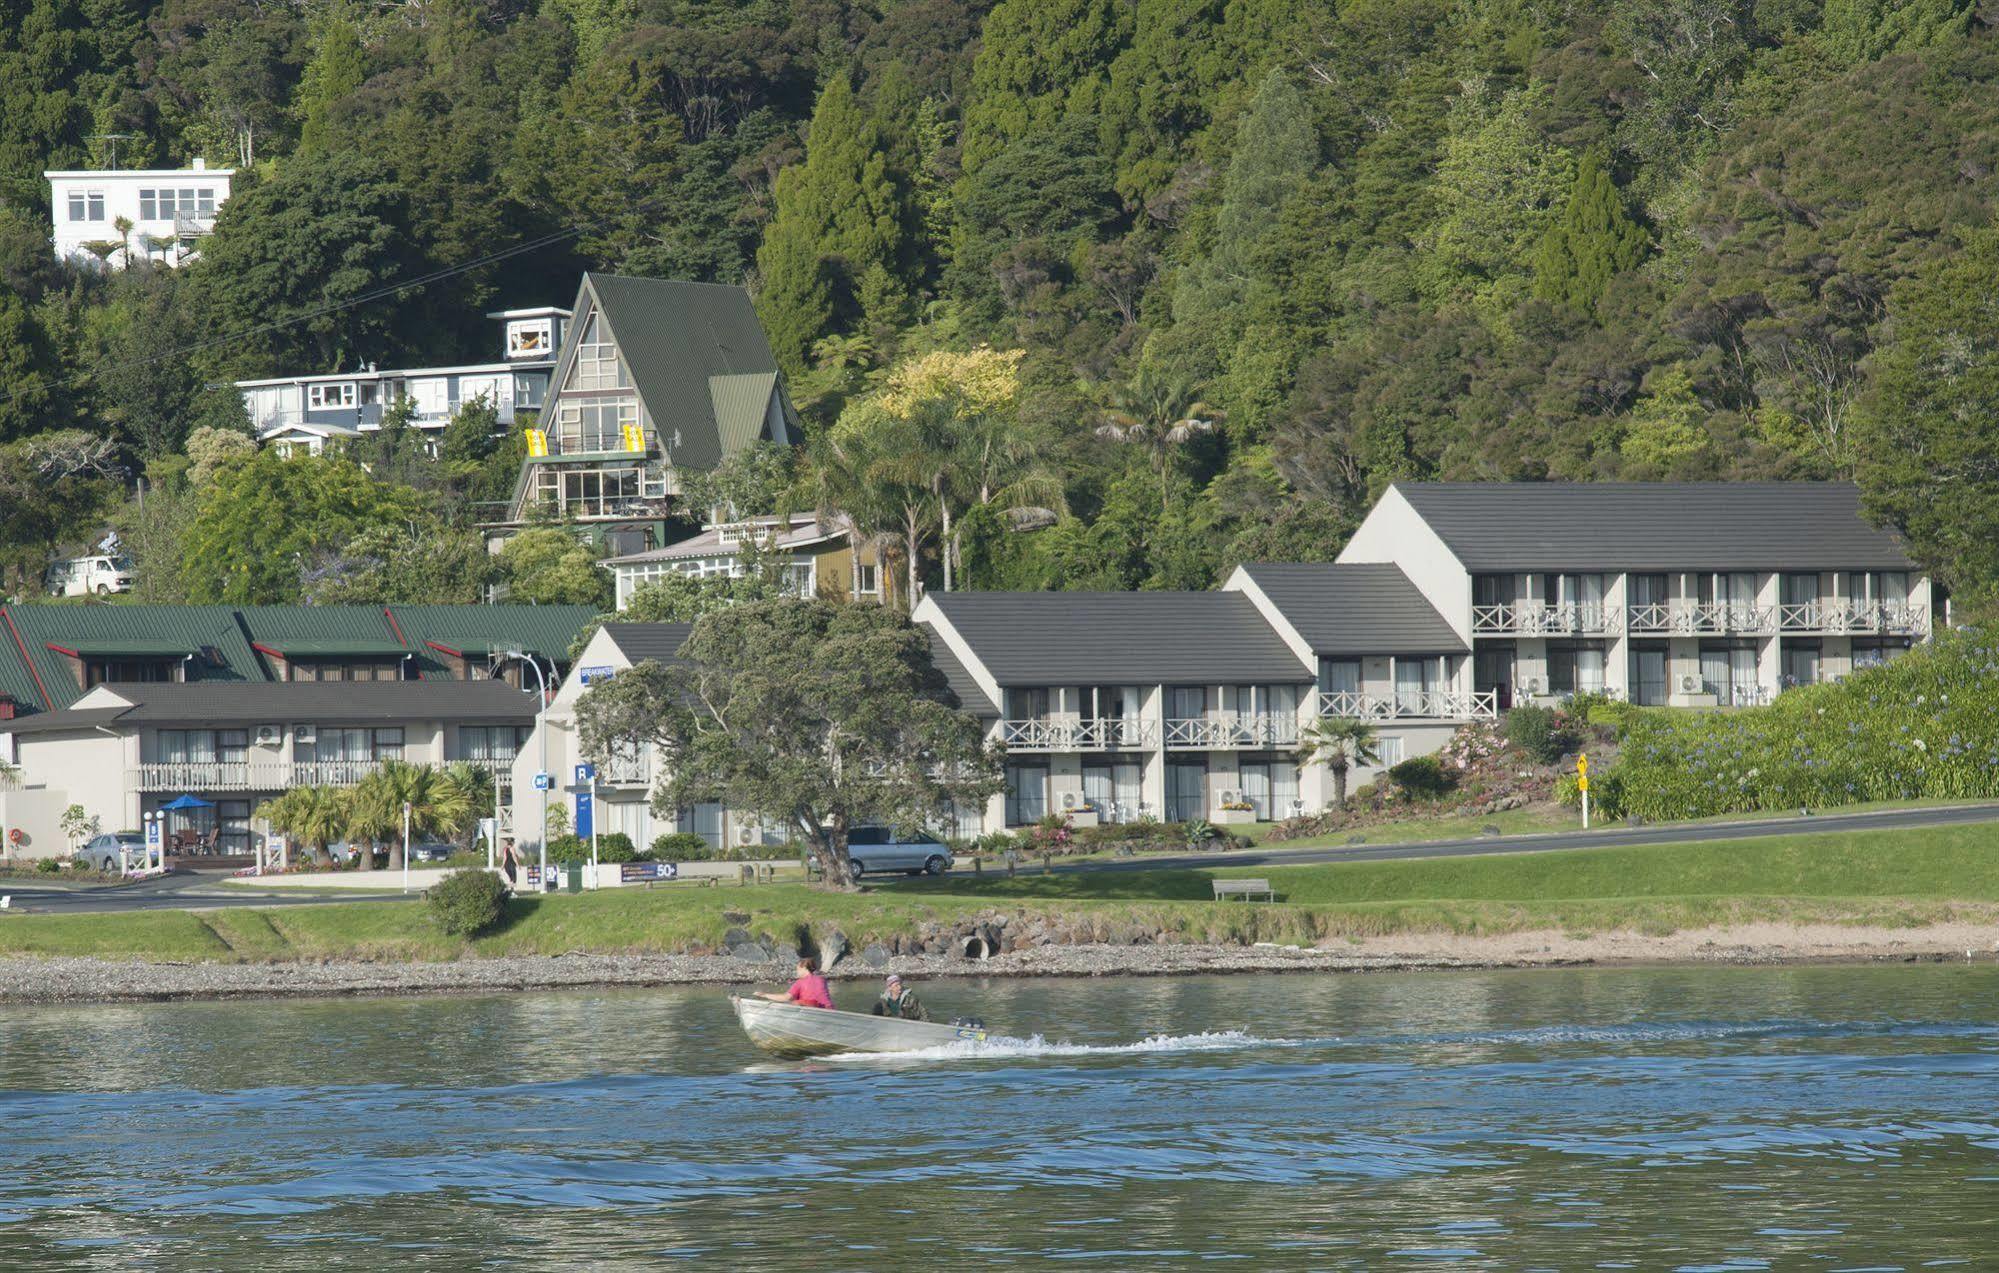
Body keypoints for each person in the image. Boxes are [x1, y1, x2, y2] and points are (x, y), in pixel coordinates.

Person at [760, 956, 833, 1009]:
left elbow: (786, 998)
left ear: (804, 968)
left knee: (794, 1002)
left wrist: (765, 995)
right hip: (830, 1010)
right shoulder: (822, 979)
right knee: (797, 1000)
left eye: (797, 969)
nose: (797, 972)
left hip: (816, 1012)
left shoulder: (800, 982)